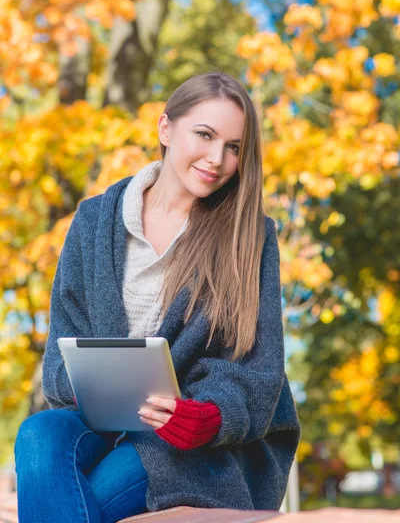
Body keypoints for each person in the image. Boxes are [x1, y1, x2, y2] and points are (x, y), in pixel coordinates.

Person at [14, 71, 301, 523]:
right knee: (37, 435)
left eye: (234, 147)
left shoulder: (250, 236)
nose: (217, 159)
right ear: (166, 130)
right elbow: (61, 349)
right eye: (204, 135)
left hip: (185, 441)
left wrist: (209, 415)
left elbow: (260, 371)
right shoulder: (92, 222)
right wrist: (90, 387)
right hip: (97, 422)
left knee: (87, 501)